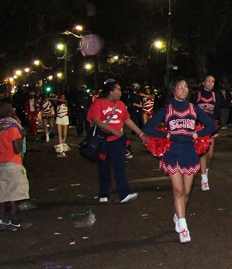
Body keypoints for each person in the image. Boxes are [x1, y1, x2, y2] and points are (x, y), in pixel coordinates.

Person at [143, 78, 217, 243]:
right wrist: (166, 134)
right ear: (173, 90)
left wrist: (197, 134)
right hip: (173, 152)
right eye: (180, 87)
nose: (184, 90)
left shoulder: (194, 109)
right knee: (177, 190)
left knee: (186, 192)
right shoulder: (167, 110)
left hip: (189, 152)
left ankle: (179, 215)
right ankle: (184, 228)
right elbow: (147, 128)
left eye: (186, 87)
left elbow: (212, 126)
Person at [87, 81, 146, 204]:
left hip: (117, 141)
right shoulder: (98, 103)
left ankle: (124, 194)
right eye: (118, 90)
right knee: (103, 168)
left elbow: (127, 120)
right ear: (111, 92)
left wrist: (141, 134)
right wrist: (112, 130)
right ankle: (104, 194)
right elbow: (96, 120)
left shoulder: (120, 105)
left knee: (119, 166)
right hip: (103, 141)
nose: (120, 92)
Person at [0, 102, 28, 229]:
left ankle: (2, 218)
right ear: (9, 113)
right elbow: (16, 149)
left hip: (2, 162)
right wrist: (21, 136)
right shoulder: (12, 128)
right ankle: (12, 218)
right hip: (13, 162)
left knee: (3, 192)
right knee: (14, 193)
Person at [194, 75, 221, 190]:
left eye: (213, 81)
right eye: (208, 81)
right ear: (203, 82)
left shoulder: (216, 96)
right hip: (200, 128)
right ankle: (204, 179)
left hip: (211, 127)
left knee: (210, 154)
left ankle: (206, 170)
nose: (210, 83)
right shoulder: (197, 95)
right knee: (202, 153)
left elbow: (218, 111)